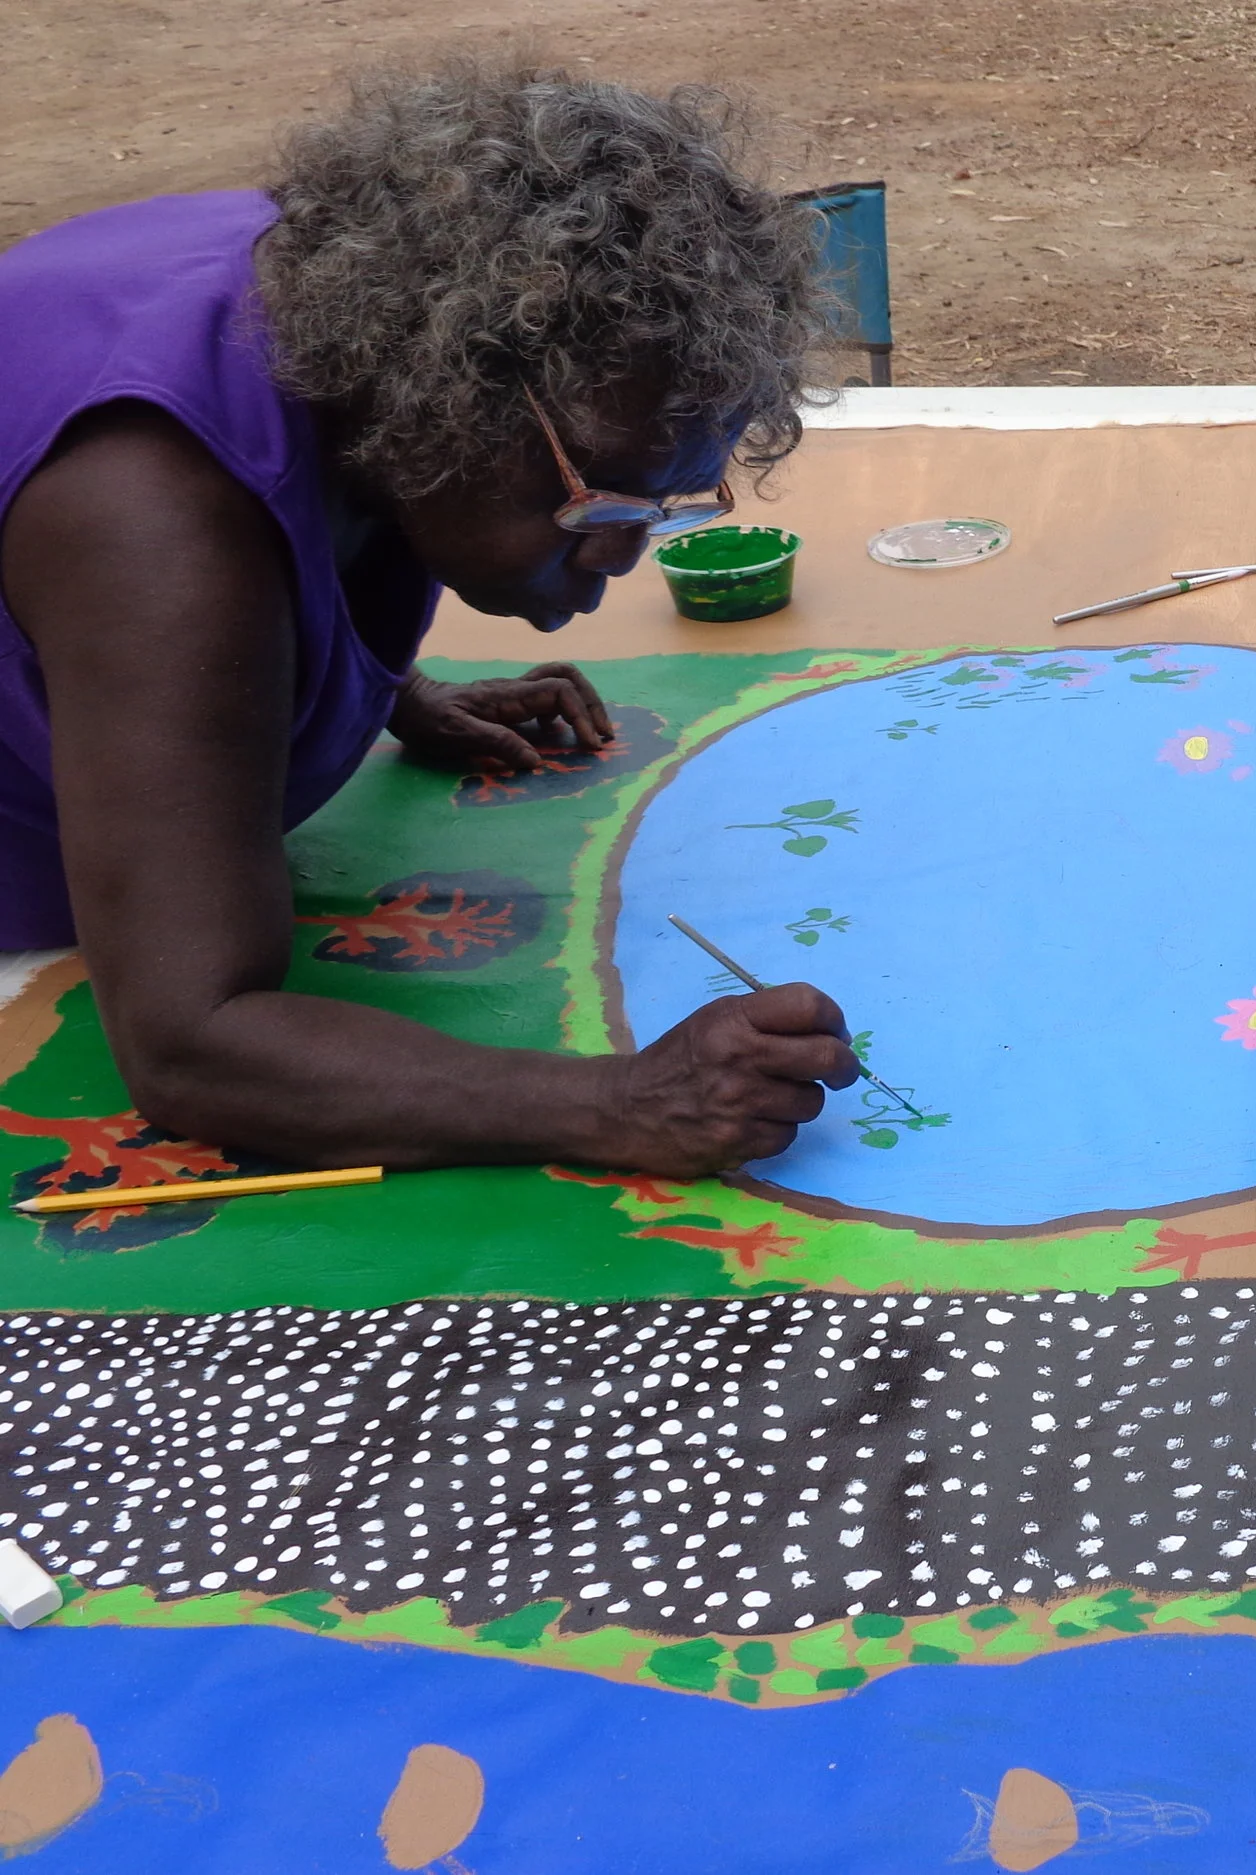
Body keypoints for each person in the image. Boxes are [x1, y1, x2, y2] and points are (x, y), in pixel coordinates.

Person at [0, 61, 860, 1175]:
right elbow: (193, 1044)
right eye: (600, 498)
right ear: (447, 394)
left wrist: (375, 685)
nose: (620, 551)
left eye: (666, 504)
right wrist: (626, 1100)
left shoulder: (354, 293)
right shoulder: (154, 522)